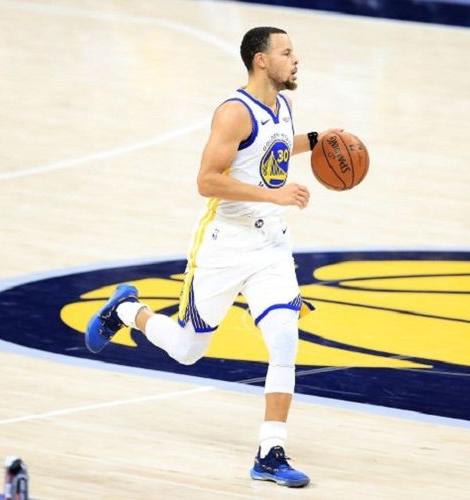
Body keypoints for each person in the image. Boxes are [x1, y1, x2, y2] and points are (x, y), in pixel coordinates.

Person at [85, 26, 337, 488]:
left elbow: (273, 148)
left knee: (284, 340)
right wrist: (273, 196)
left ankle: (270, 452)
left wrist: (319, 139)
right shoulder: (233, 112)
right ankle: (125, 308)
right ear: (261, 61)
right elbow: (206, 180)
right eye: (286, 52)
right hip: (226, 244)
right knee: (186, 350)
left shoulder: (283, 105)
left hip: (272, 246)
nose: (295, 59)